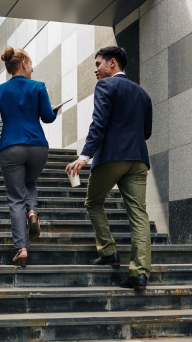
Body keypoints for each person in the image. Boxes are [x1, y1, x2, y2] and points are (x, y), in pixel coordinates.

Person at [66, 46, 152, 290]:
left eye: (98, 64)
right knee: (139, 215)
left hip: (113, 156)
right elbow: (146, 132)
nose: (95, 70)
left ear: (112, 63)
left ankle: (109, 252)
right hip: (138, 159)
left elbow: (99, 123)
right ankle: (139, 274)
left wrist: (84, 156)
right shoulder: (143, 94)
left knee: (93, 203)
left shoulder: (106, 86)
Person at [0, 46, 59, 267]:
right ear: (23, 63)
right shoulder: (39, 87)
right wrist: (54, 110)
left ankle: (21, 249)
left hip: (11, 147)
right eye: (31, 64)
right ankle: (32, 211)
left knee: (15, 198)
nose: (32, 68)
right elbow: (48, 118)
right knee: (30, 182)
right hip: (38, 146)